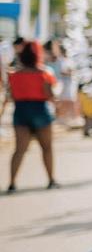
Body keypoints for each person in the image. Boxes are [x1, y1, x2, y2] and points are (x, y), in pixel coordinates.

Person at [5, 40, 58, 191]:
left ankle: (12, 183)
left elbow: (11, 96)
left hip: (21, 110)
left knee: (19, 149)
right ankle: (51, 180)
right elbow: (49, 94)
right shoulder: (43, 73)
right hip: (40, 110)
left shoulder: (14, 75)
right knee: (46, 148)